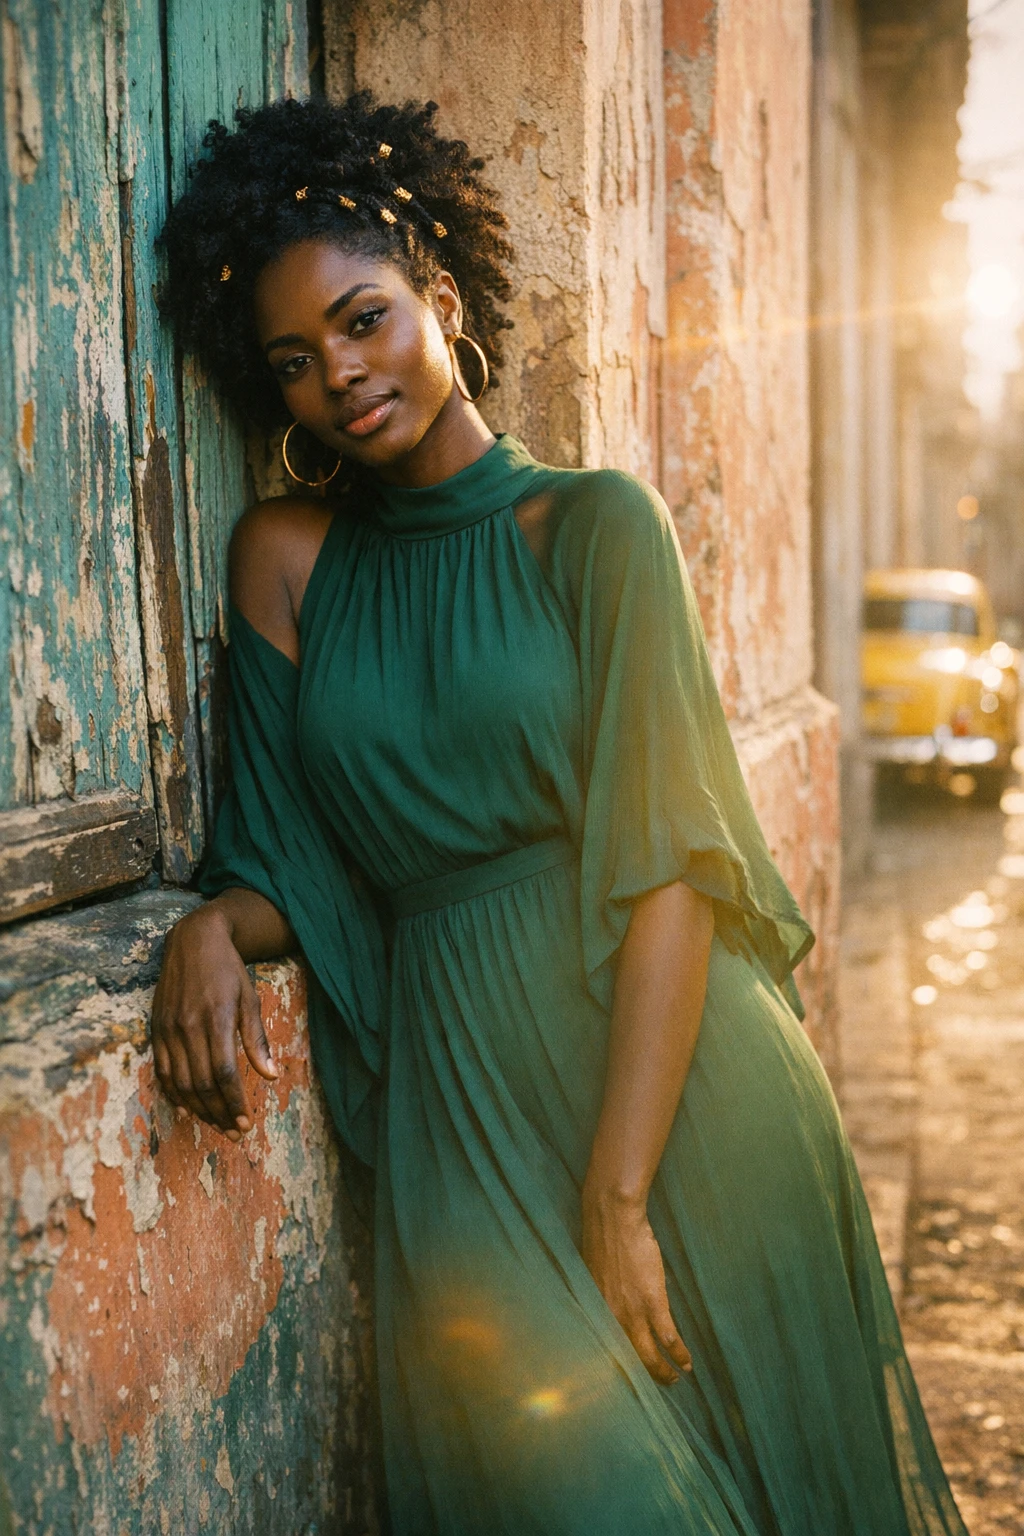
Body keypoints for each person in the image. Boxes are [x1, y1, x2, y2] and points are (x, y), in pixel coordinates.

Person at [154, 93, 965, 1534]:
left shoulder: (597, 528)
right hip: (461, 1102)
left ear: (441, 302)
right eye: (294, 360)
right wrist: (214, 921)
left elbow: (670, 871)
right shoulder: (282, 560)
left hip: (679, 1084)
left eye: (361, 320)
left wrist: (622, 1194)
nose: (337, 375)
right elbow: (301, 860)